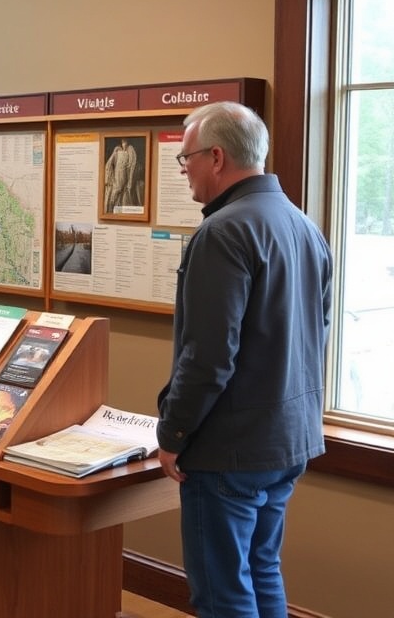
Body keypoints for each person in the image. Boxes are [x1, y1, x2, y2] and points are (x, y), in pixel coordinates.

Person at [156, 102, 333, 618]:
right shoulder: (304, 226)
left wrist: (173, 435)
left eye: (186, 157)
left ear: (216, 157)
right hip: (287, 441)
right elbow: (315, 336)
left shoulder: (222, 232)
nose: (184, 168)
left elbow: (208, 357)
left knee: (221, 593)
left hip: (227, 450)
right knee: (262, 570)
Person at [104, 136, 138, 213]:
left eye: (125, 142)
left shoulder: (130, 150)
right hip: (117, 172)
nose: (124, 144)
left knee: (119, 190)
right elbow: (109, 164)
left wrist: (130, 180)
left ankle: (115, 204)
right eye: (123, 142)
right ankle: (112, 205)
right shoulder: (117, 150)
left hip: (123, 173)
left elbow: (132, 165)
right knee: (116, 190)